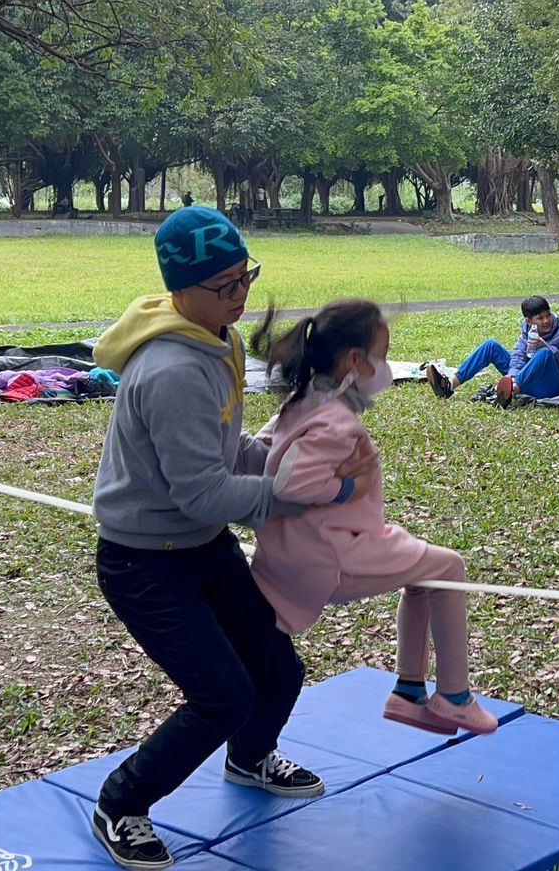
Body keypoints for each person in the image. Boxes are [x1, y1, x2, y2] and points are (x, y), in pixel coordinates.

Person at [86, 206, 352, 871]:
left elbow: (223, 445)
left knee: (278, 670)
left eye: (246, 276)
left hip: (202, 547)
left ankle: (249, 757)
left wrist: (278, 457)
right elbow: (200, 491)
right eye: (227, 284)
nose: (243, 294)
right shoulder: (173, 369)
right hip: (145, 563)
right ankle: (120, 803)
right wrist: (296, 495)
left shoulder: (218, 338)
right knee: (222, 695)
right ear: (183, 289)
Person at [249, 300, 499, 736]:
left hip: (308, 548)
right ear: (353, 360)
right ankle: (455, 696)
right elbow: (289, 484)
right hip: (334, 556)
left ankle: (408, 690)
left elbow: (263, 450)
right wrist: (348, 488)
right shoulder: (336, 421)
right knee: (450, 567)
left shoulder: (301, 402)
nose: (383, 367)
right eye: (380, 356)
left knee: (425, 571)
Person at [420, 295, 559, 406]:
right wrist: (512, 377)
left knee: (543, 354)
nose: (546, 321)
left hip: (552, 387)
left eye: (548, 315)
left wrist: (549, 349)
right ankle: (449, 385)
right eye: (540, 318)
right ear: (529, 321)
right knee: (491, 346)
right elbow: (517, 358)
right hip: (526, 381)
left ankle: (511, 391)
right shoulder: (526, 333)